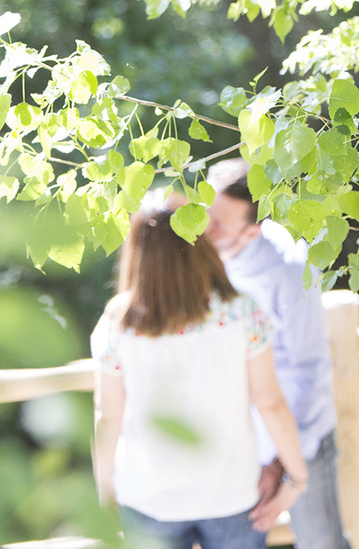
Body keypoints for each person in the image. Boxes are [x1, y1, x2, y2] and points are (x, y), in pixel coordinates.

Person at [90, 190, 308, 549]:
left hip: (147, 496)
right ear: (198, 243)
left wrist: (104, 494)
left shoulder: (119, 323)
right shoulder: (240, 312)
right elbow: (269, 402)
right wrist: (296, 479)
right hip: (232, 494)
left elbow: (107, 417)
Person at [206, 159, 351, 549]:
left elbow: (309, 373)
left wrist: (287, 464)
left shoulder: (289, 273)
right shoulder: (204, 259)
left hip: (299, 437)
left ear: (252, 232)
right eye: (206, 213)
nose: (205, 228)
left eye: (219, 223)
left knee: (322, 543)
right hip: (237, 441)